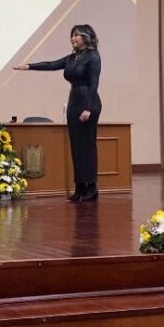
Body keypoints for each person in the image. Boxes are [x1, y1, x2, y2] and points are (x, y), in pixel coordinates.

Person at [13, 24, 102, 202]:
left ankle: (91, 188)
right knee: (76, 146)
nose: (72, 38)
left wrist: (88, 108)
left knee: (87, 145)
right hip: (74, 102)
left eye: (76, 35)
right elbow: (52, 64)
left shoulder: (93, 57)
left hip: (88, 102)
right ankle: (79, 188)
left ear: (86, 37)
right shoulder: (72, 58)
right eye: (72, 35)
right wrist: (30, 66)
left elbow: (94, 84)